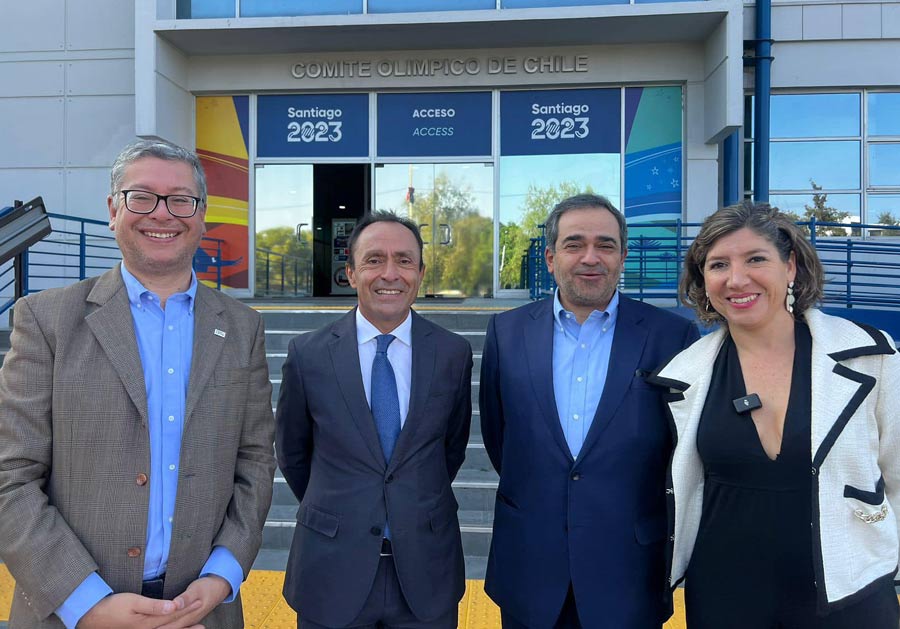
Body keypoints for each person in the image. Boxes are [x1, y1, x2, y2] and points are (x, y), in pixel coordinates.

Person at [0, 139, 276, 629]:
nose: (162, 213)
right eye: (142, 197)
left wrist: (223, 575)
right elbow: (11, 476)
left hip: (203, 612)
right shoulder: (46, 320)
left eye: (180, 199)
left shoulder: (242, 327)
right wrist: (86, 602)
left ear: (202, 215)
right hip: (69, 614)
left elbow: (254, 462)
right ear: (113, 211)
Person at [649, 201, 900, 627]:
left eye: (756, 259)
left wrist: (884, 560)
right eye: (718, 265)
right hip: (726, 599)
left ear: (791, 267)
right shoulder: (682, 376)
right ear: (703, 280)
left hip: (851, 593)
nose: (736, 279)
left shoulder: (870, 356)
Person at [480, 193, 700, 628]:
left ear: (622, 256)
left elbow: (681, 451)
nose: (590, 258)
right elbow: (499, 436)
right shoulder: (506, 332)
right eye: (574, 244)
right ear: (550, 258)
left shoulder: (672, 336)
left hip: (629, 574)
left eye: (605, 245)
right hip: (529, 567)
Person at [275, 211, 472, 629]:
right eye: (374, 260)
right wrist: (340, 506)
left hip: (426, 572)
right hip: (331, 568)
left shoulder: (452, 354)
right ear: (350, 272)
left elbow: (449, 450)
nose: (390, 274)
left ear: (420, 273)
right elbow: (293, 453)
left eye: (404, 260)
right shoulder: (308, 355)